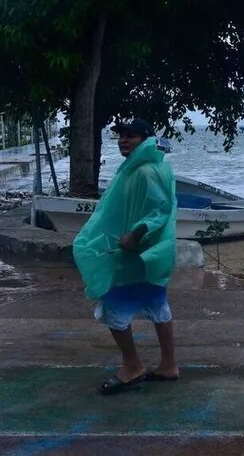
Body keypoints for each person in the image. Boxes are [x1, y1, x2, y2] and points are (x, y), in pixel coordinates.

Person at [72, 118, 178, 395]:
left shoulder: (145, 171)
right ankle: (168, 364)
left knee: (113, 307)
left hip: (136, 253)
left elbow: (160, 209)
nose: (123, 140)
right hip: (148, 255)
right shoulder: (142, 168)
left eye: (131, 136)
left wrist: (135, 234)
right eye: (121, 135)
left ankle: (133, 365)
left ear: (146, 139)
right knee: (157, 304)